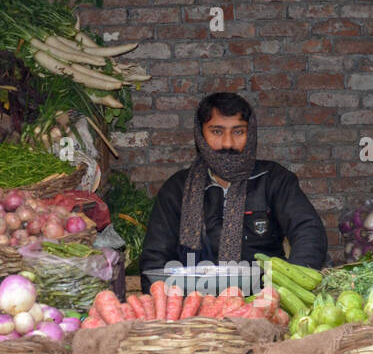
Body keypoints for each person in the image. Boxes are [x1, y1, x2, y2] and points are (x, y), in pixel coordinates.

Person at [139, 92, 328, 288]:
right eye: (217, 132)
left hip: (263, 299)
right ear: (200, 135)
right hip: (194, 302)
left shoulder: (274, 180)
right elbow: (155, 258)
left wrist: (288, 290)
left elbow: (309, 232)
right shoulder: (178, 188)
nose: (228, 143)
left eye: (238, 132)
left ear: (251, 133)